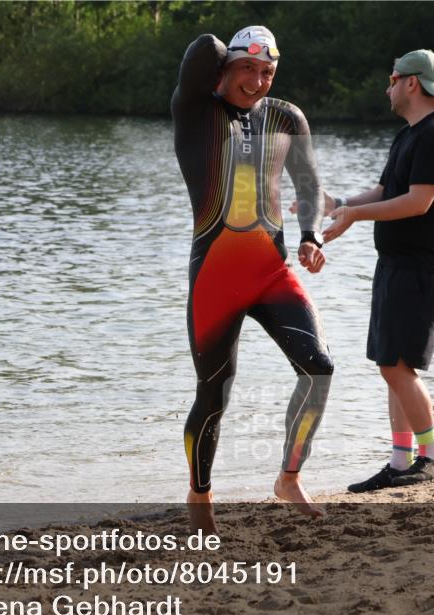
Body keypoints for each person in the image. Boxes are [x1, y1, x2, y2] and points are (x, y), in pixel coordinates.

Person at [172, 26, 333, 531]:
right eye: (248, 69)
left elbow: (307, 182)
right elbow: (200, 53)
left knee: (319, 368)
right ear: (225, 70)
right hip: (216, 276)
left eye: (268, 72)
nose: (258, 81)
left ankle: (288, 476)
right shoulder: (196, 111)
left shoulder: (287, 117)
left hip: (270, 272)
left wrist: (312, 236)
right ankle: (201, 493)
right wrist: (224, 54)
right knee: (214, 393)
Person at [321, 49, 434, 492]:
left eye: (392, 78)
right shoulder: (410, 134)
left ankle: (432, 457)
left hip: (422, 269)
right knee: (392, 365)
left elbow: (418, 201)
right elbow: (387, 190)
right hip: (396, 267)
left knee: (399, 369)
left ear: (411, 83)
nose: (387, 87)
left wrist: (354, 219)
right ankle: (401, 460)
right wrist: (338, 205)